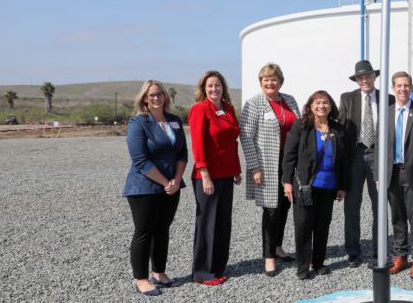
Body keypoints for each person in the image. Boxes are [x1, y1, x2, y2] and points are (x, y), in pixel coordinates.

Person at [123, 80, 187, 296]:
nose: (156, 98)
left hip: (172, 185)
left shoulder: (175, 121)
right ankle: (141, 279)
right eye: (152, 95)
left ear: (165, 96)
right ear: (144, 99)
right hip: (145, 187)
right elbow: (140, 160)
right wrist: (165, 182)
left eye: (160, 94)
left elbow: (182, 154)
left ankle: (159, 273)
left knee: (162, 230)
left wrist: (176, 180)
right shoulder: (138, 122)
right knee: (144, 232)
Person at [239, 63, 301, 276]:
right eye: (266, 79)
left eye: (273, 79)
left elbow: (299, 127)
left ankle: (278, 246)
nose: (270, 82)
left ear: (280, 81)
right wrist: (254, 167)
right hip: (267, 163)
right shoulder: (254, 103)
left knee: (285, 206)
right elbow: (246, 137)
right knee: (271, 209)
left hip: (290, 161)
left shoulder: (290, 100)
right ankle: (268, 257)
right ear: (261, 82)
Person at [373, 72, 413, 278]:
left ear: (411, 88)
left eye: (406, 85)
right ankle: (400, 255)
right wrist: (378, 176)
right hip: (391, 173)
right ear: (393, 88)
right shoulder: (386, 113)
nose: (403, 89)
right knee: (397, 216)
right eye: (399, 85)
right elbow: (379, 148)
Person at [282, 91, 349, 279]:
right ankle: (302, 266)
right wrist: (287, 182)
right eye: (317, 102)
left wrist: (343, 186)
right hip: (305, 186)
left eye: (325, 102)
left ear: (331, 106)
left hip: (329, 187)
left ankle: (318, 263)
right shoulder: (301, 126)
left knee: (322, 226)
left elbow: (344, 161)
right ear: (310, 106)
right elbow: (289, 156)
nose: (321, 106)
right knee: (303, 226)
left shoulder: (338, 129)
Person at [338, 60, 395, 268]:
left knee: (379, 204)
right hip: (354, 155)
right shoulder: (347, 98)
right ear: (357, 80)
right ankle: (353, 251)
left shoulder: (388, 99)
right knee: (352, 206)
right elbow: (341, 130)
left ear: (374, 77)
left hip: (378, 155)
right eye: (360, 78)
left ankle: (379, 249)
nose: (364, 80)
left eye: (368, 76)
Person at [189, 71, 242, 285]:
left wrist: (236, 169)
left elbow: (231, 141)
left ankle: (218, 267)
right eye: (209, 86)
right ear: (203, 88)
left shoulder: (228, 108)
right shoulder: (199, 109)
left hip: (226, 174)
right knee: (207, 224)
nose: (214, 89)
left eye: (217, 85)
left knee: (222, 223)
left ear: (223, 87)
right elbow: (198, 144)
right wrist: (205, 175)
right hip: (207, 176)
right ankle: (202, 272)